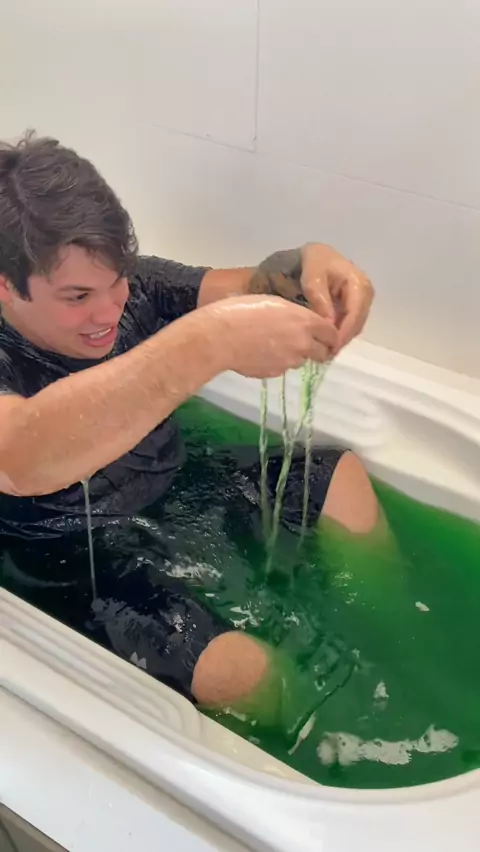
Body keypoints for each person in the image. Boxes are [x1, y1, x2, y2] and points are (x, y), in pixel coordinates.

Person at [0, 133, 378, 729]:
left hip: (178, 489)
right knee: (241, 674)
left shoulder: (135, 289)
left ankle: (386, 637)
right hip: (69, 550)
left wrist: (308, 267)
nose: (109, 311)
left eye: (117, 281)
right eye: (78, 297)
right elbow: (19, 456)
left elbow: (258, 287)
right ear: (6, 284)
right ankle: (329, 741)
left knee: (337, 477)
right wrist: (209, 342)